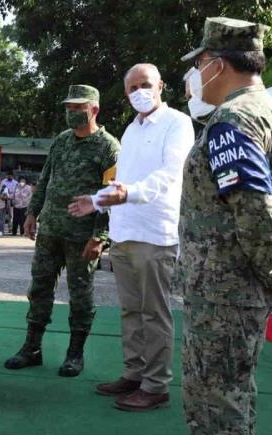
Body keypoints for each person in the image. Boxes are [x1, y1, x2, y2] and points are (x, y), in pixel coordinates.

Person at [174, 17, 272, 435]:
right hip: (239, 290)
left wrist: (271, 269)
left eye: (199, 64)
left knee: (215, 405)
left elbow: (254, 206)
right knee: (234, 394)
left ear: (217, 63)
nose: (195, 76)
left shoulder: (233, 119)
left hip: (223, 291)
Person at [69, 64, 195, 411]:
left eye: (146, 84)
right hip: (124, 231)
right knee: (130, 311)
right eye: (133, 88)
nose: (140, 91)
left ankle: (156, 385)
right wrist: (96, 201)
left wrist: (129, 195)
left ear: (161, 86)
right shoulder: (131, 129)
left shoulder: (178, 124)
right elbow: (119, 181)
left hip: (156, 233)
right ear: (125, 94)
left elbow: (170, 176)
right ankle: (134, 373)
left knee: (154, 313)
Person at [3, 84, 120, 378]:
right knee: (39, 288)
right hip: (51, 230)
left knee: (81, 294)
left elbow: (111, 196)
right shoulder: (62, 141)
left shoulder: (108, 147)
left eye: (77, 108)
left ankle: (75, 353)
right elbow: (45, 180)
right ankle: (32, 348)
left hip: (82, 236)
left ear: (94, 109)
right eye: (68, 108)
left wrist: (100, 237)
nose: (71, 113)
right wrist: (32, 213)